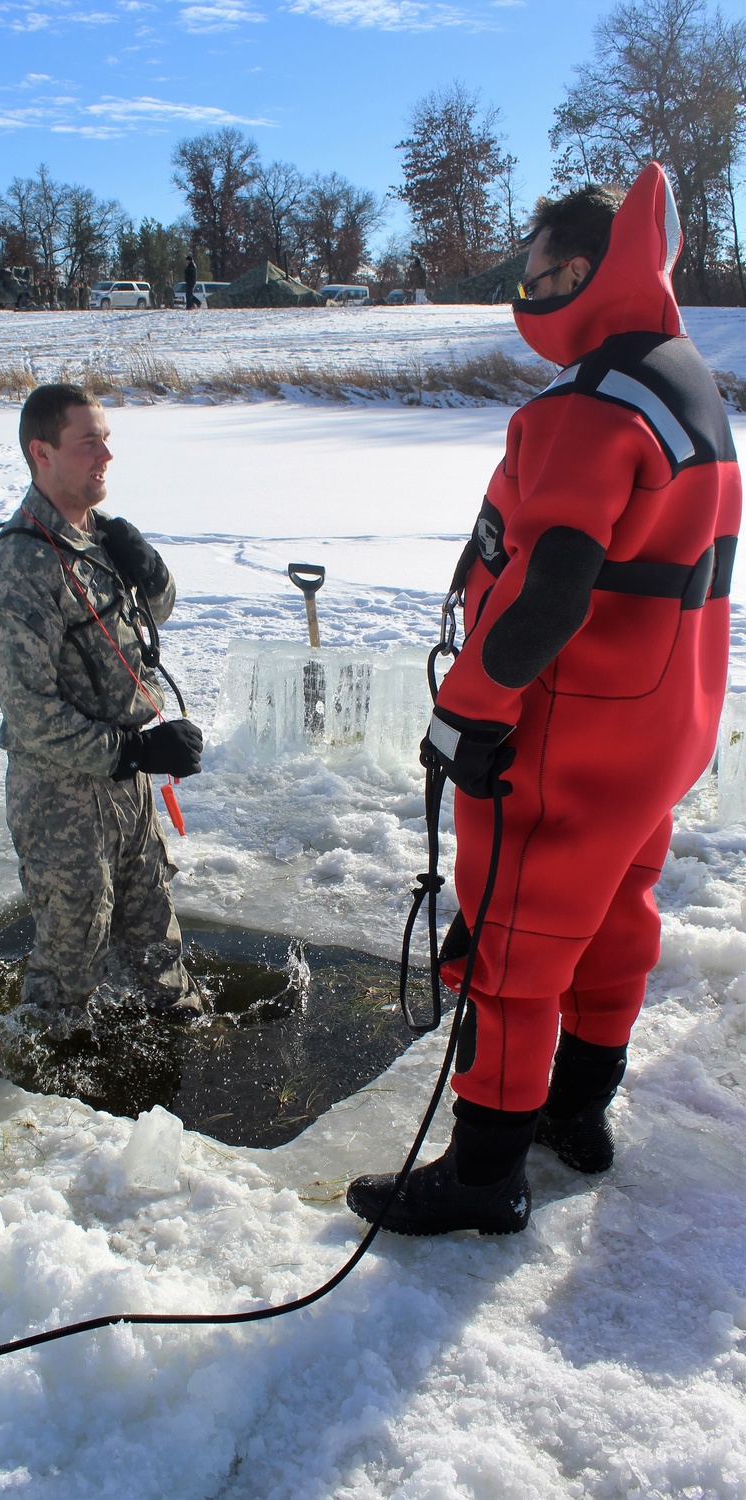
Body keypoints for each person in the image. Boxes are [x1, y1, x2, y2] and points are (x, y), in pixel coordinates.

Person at [348, 163, 741, 1237]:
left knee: (510, 950)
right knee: (615, 914)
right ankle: (577, 1114)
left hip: (571, 724)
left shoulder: (590, 407)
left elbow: (555, 577)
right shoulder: (687, 382)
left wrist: (469, 709)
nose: (523, 296)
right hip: (663, 727)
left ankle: (483, 1175)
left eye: (532, 277)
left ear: (577, 272)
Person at [0, 383, 206, 1027]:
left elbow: (153, 612)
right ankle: (43, 1090)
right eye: (89, 442)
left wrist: (149, 567)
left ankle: (182, 1051)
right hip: (61, 796)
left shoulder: (98, 538)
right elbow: (29, 714)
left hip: (124, 787)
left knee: (154, 934)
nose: (105, 455)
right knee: (71, 956)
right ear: (41, 452)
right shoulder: (23, 565)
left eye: (107, 440)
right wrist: (136, 749)